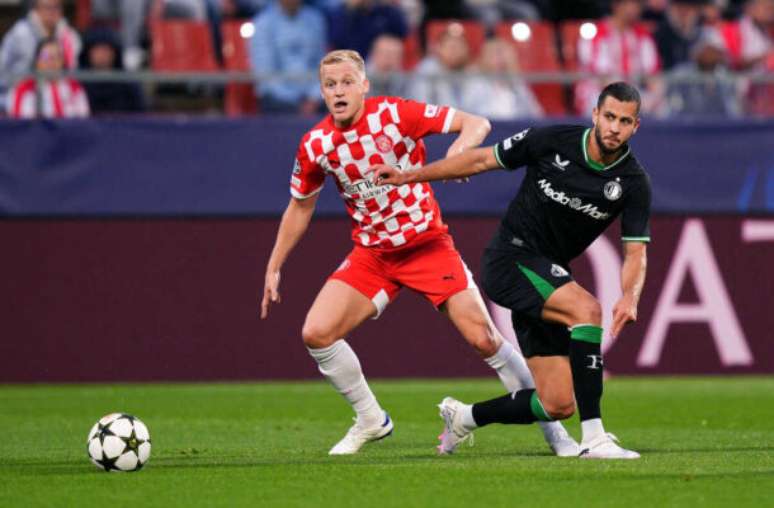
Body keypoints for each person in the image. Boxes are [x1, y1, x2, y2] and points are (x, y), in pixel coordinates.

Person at [260, 49, 578, 457]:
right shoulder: (316, 144)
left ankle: (555, 433)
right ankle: (371, 419)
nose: (338, 91)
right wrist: (274, 264)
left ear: (364, 85)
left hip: (427, 246)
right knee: (316, 333)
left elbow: (475, 122)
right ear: (321, 91)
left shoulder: (395, 114)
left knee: (484, 339)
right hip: (374, 256)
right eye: (330, 85)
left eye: (346, 83)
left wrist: (458, 152)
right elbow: (301, 205)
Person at [371, 82, 651, 459]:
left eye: (625, 121)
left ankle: (465, 417)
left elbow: (635, 252)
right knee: (586, 310)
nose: (615, 127)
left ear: (636, 127)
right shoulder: (552, 140)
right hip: (511, 258)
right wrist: (409, 176)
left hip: (546, 272)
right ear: (595, 115)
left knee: (557, 403)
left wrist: (630, 297)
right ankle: (595, 438)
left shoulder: (633, 183)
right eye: (610, 117)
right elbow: (482, 159)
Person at [575, 0, 662, 115]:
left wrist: (656, 94)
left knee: (661, 105)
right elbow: (600, 76)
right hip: (600, 93)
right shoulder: (595, 33)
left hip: (633, 94)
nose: (634, 9)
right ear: (616, 5)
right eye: (630, 4)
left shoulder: (643, 35)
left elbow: (653, 73)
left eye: (637, 5)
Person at [248, 0, 327, 114]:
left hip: (313, 96)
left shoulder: (316, 19)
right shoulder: (262, 23)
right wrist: (296, 101)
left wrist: (314, 97)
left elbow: (322, 64)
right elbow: (266, 75)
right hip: (278, 98)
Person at [0, 0, 81, 102]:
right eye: (47, 7)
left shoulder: (70, 36)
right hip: (18, 94)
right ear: (36, 9)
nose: (52, 12)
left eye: (56, 7)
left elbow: (72, 73)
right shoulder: (20, 34)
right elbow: (2, 66)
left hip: (59, 97)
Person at [460, 38, 543, 120]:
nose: (499, 60)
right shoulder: (476, 83)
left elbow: (536, 114)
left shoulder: (517, 84)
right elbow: (466, 113)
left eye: (502, 55)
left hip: (515, 128)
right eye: (494, 55)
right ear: (485, 58)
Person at [6, 38, 90, 118]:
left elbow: (82, 123)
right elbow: (19, 125)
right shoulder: (22, 89)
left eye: (57, 56)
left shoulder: (74, 87)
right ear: (36, 61)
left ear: (63, 61)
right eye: (45, 56)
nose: (51, 60)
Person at [78, 27, 145, 114]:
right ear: (88, 53)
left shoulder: (129, 84)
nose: (102, 55)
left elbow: (141, 115)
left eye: (106, 50)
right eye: (97, 50)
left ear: (115, 53)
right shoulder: (76, 83)